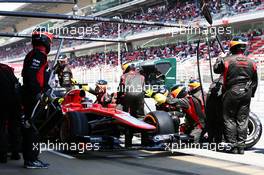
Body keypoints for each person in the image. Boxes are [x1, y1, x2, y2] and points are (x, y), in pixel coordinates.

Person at [213, 36, 258, 154]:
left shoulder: (226, 60)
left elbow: (216, 70)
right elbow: (255, 82)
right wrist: (250, 94)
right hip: (246, 93)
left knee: (229, 119)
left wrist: (219, 59)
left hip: (232, 92)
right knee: (242, 119)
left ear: (232, 47)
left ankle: (232, 146)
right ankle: (241, 147)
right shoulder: (252, 62)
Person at [21, 28, 53, 168]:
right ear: (46, 41)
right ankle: (31, 159)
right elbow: (30, 75)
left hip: (30, 94)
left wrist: (45, 86)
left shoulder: (33, 54)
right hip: (33, 96)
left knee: (30, 126)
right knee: (31, 127)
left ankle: (31, 158)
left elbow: (29, 74)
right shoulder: (39, 55)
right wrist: (38, 92)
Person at [0, 63, 22, 163]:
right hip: (15, 102)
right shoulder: (7, 68)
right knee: (14, 128)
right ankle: (15, 153)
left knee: (1, 129)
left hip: (3, 102)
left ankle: (2, 156)